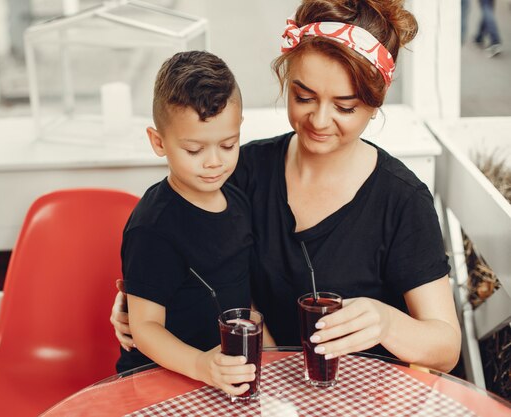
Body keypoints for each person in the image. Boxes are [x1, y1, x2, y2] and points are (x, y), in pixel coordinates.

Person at [111, 0, 462, 373]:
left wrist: (388, 322)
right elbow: (174, 243)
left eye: (345, 107)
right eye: (304, 97)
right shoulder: (238, 172)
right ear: (285, 80)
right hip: (266, 394)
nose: (320, 120)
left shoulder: (401, 200)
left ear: (375, 104)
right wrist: (144, 306)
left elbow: (447, 347)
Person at [115, 50, 263, 397]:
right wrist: (200, 365)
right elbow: (145, 326)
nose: (214, 162)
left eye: (228, 145)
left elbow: (248, 299)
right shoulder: (153, 227)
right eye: (194, 150)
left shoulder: (239, 201)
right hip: (157, 382)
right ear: (159, 142)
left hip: (223, 379)